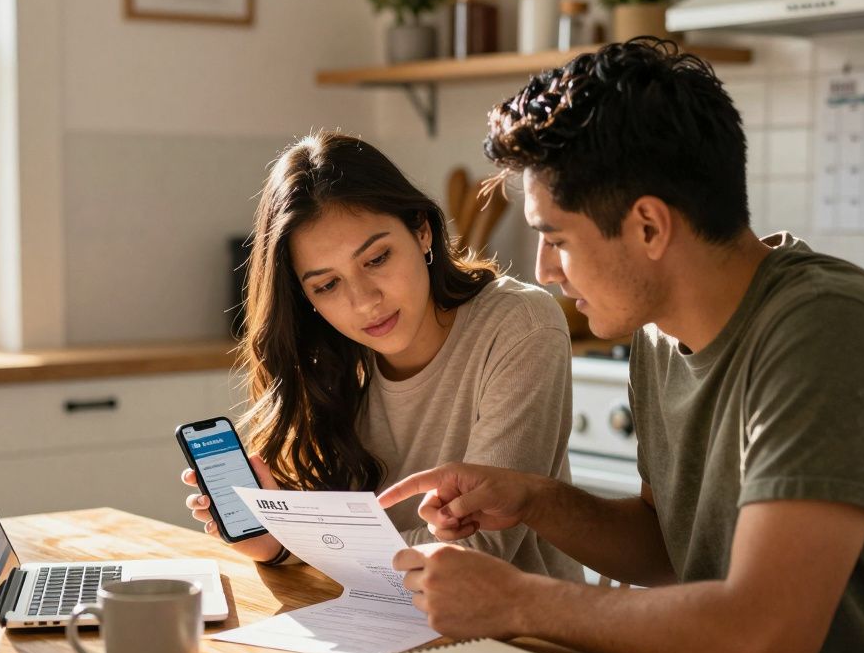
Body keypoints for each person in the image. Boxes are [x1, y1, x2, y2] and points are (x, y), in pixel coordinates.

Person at [378, 39, 864, 653]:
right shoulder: (658, 332)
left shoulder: (825, 331)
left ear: (648, 225)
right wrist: (534, 501)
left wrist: (519, 601)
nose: (545, 270)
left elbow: (763, 637)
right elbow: (671, 549)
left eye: (556, 238)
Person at [180, 131, 580, 581]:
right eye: (327, 285)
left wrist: (303, 538)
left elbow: (475, 552)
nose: (364, 301)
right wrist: (276, 541)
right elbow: (327, 545)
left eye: (376, 259)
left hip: (523, 636)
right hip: (372, 620)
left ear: (422, 230)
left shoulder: (520, 325)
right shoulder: (328, 358)